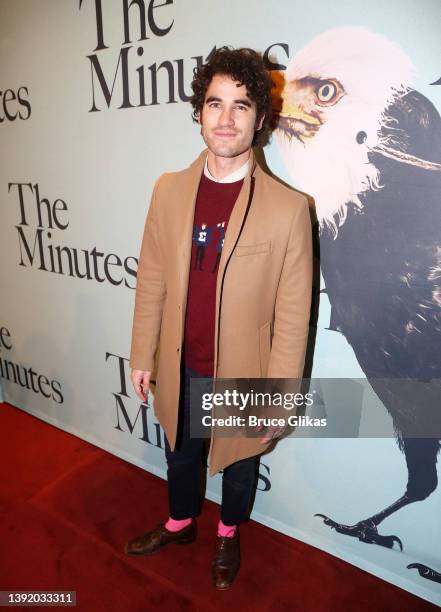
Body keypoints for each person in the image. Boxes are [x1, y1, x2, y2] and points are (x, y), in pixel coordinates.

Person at [125, 47, 313, 590]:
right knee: (180, 453)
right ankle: (180, 522)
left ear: (260, 119)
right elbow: (153, 277)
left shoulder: (287, 208)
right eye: (214, 103)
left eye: (241, 105)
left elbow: (293, 313)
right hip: (180, 360)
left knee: (238, 463)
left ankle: (228, 533)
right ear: (199, 112)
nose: (225, 118)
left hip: (242, 371)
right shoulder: (168, 189)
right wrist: (143, 352)